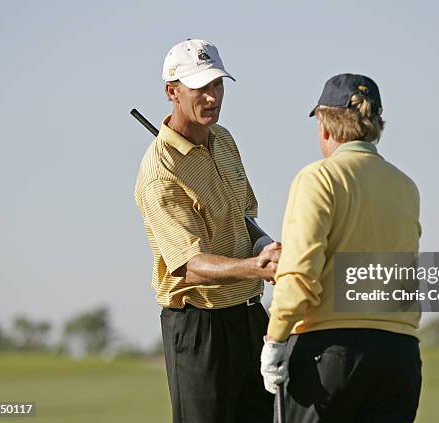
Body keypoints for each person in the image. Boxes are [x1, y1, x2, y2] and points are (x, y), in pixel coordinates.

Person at [260, 74, 423, 422]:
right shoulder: (405, 186)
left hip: (331, 354)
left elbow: (300, 274)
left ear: (325, 125)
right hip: (399, 354)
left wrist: (275, 339)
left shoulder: (318, 178)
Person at [134, 39, 277, 423]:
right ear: (172, 92)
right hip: (200, 328)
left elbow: (244, 213)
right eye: (200, 87)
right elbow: (190, 265)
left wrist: (268, 245)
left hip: (249, 317)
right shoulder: (159, 173)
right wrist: (259, 268)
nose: (212, 97)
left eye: (217, 85)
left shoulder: (224, 140)